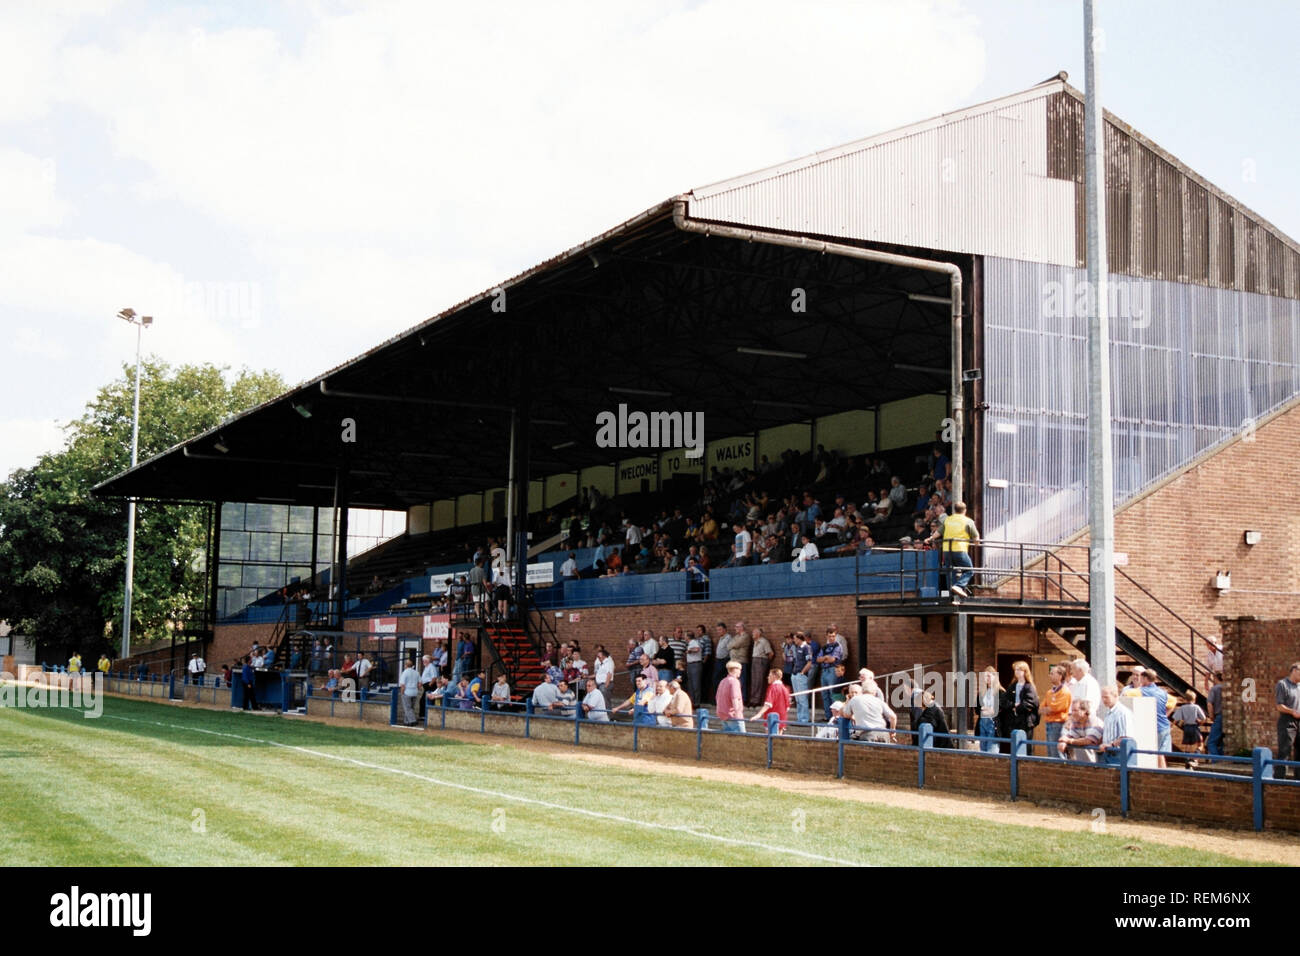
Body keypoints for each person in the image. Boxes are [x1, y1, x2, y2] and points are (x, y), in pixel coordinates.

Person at [939, 501, 979, 596]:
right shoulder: (968, 521)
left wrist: (930, 538)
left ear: (954, 510)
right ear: (964, 510)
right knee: (969, 570)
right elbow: (976, 537)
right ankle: (959, 586)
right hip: (959, 549)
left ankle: (951, 596)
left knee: (950, 571)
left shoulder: (948, 520)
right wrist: (976, 543)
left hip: (947, 551)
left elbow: (938, 532)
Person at [1139, 670, 1172, 768]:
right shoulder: (1163, 692)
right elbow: (1173, 702)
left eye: (1141, 678)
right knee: (1160, 754)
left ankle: (1162, 776)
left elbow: (1127, 695)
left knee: (1157, 754)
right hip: (1165, 725)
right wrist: (1166, 714)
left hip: (1155, 727)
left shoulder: (1142, 691)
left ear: (1145, 678)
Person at [1096, 683, 1133, 766]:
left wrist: (1111, 745)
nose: (1104, 700)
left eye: (1106, 697)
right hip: (1107, 753)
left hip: (1118, 755)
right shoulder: (1109, 713)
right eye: (1102, 697)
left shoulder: (1122, 713)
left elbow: (1125, 736)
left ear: (1115, 696)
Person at [1040, 664, 1072, 759]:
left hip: (1058, 724)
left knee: (1057, 753)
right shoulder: (1049, 692)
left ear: (1060, 676)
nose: (1050, 675)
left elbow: (1057, 707)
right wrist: (1047, 709)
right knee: (1050, 752)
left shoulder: (1065, 691)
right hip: (1049, 723)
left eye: (1052, 673)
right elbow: (1042, 707)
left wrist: (1049, 709)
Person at [1275, 662, 1300, 779]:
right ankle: (1280, 780)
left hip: (1299, 721)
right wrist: (1292, 712)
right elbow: (1279, 706)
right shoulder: (1283, 684)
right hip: (1287, 720)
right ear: (1294, 670)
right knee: (1285, 750)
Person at [1171, 689, 1207, 768]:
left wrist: (1172, 726)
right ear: (1194, 699)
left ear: (1185, 699)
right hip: (1194, 726)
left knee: (1187, 745)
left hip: (1186, 727)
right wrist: (1200, 723)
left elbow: (1176, 718)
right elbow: (1204, 718)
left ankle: (1187, 760)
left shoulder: (1182, 707)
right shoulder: (1196, 707)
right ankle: (1195, 758)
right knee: (1200, 743)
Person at [1008, 660, 1039, 744]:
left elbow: (1030, 703)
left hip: (1025, 720)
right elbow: (1005, 700)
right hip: (1014, 720)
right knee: (1014, 745)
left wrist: (1018, 708)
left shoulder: (1029, 686)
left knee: (1025, 745)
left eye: (1019, 670)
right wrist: (1013, 705)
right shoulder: (1012, 686)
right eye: (1015, 670)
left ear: (1025, 671)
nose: (1016, 672)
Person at [752, 667, 791, 733]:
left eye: (769, 675)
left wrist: (759, 714)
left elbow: (768, 703)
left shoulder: (773, 688)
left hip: (772, 718)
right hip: (782, 718)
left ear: (774, 676)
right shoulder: (785, 689)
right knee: (778, 740)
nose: (768, 677)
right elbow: (787, 706)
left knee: (770, 740)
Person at [790, 631, 815, 725]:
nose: (794, 640)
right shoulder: (797, 648)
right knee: (797, 698)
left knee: (802, 698)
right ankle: (799, 718)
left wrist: (802, 672)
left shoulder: (806, 647)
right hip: (795, 674)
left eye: (795, 638)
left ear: (800, 639)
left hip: (801, 675)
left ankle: (804, 719)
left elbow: (809, 662)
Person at [976, 667, 1003, 754]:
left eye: (988, 676)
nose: (986, 678)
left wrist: (991, 710)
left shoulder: (1000, 692)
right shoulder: (982, 692)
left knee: (992, 751)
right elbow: (977, 709)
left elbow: (1001, 708)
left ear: (994, 676)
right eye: (984, 676)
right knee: (982, 750)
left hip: (993, 724)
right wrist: (984, 709)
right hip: (983, 722)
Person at [715, 661, 746, 733]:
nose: (740, 672)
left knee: (729, 741)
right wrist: (738, 715)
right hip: (733, 716)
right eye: (740, 670)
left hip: (723, 715)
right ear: (736, 669)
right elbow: (735, 699)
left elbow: (717, 697)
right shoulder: (734, 682)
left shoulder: (722, 681)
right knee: (742, 740)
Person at [749, 626, 773, 707]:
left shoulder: (764, 641)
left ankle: (757, 700)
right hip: (754, 660)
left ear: (758, 634)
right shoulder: (755, 642)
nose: (752, 634)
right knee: (754, 680)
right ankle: (753, 699)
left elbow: (770, 653)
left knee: (759, 681)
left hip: (761, 660)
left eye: (754, 633)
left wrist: (765, 663)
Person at [1206, 672, 1224, 756]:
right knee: (1222, 742)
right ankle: (1223, 760)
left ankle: (1216, 762)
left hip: (1219, 716)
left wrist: (1211, 715)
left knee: (1211, 742)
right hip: (1227, 716)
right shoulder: (1226, 688)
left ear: (1216, 678)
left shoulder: (1214, 689)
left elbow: (1209, 704)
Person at [398, 658, 421, 726]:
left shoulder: (404, 673)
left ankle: (412, 720)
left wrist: (402, 693)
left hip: (407, 692)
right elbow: (420, 684)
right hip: (414, 692)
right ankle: (406, 722)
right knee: (411, 708)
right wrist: (416, 688)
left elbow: (402, 685)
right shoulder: (416, 672)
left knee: (407, 708)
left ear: (406, 665)